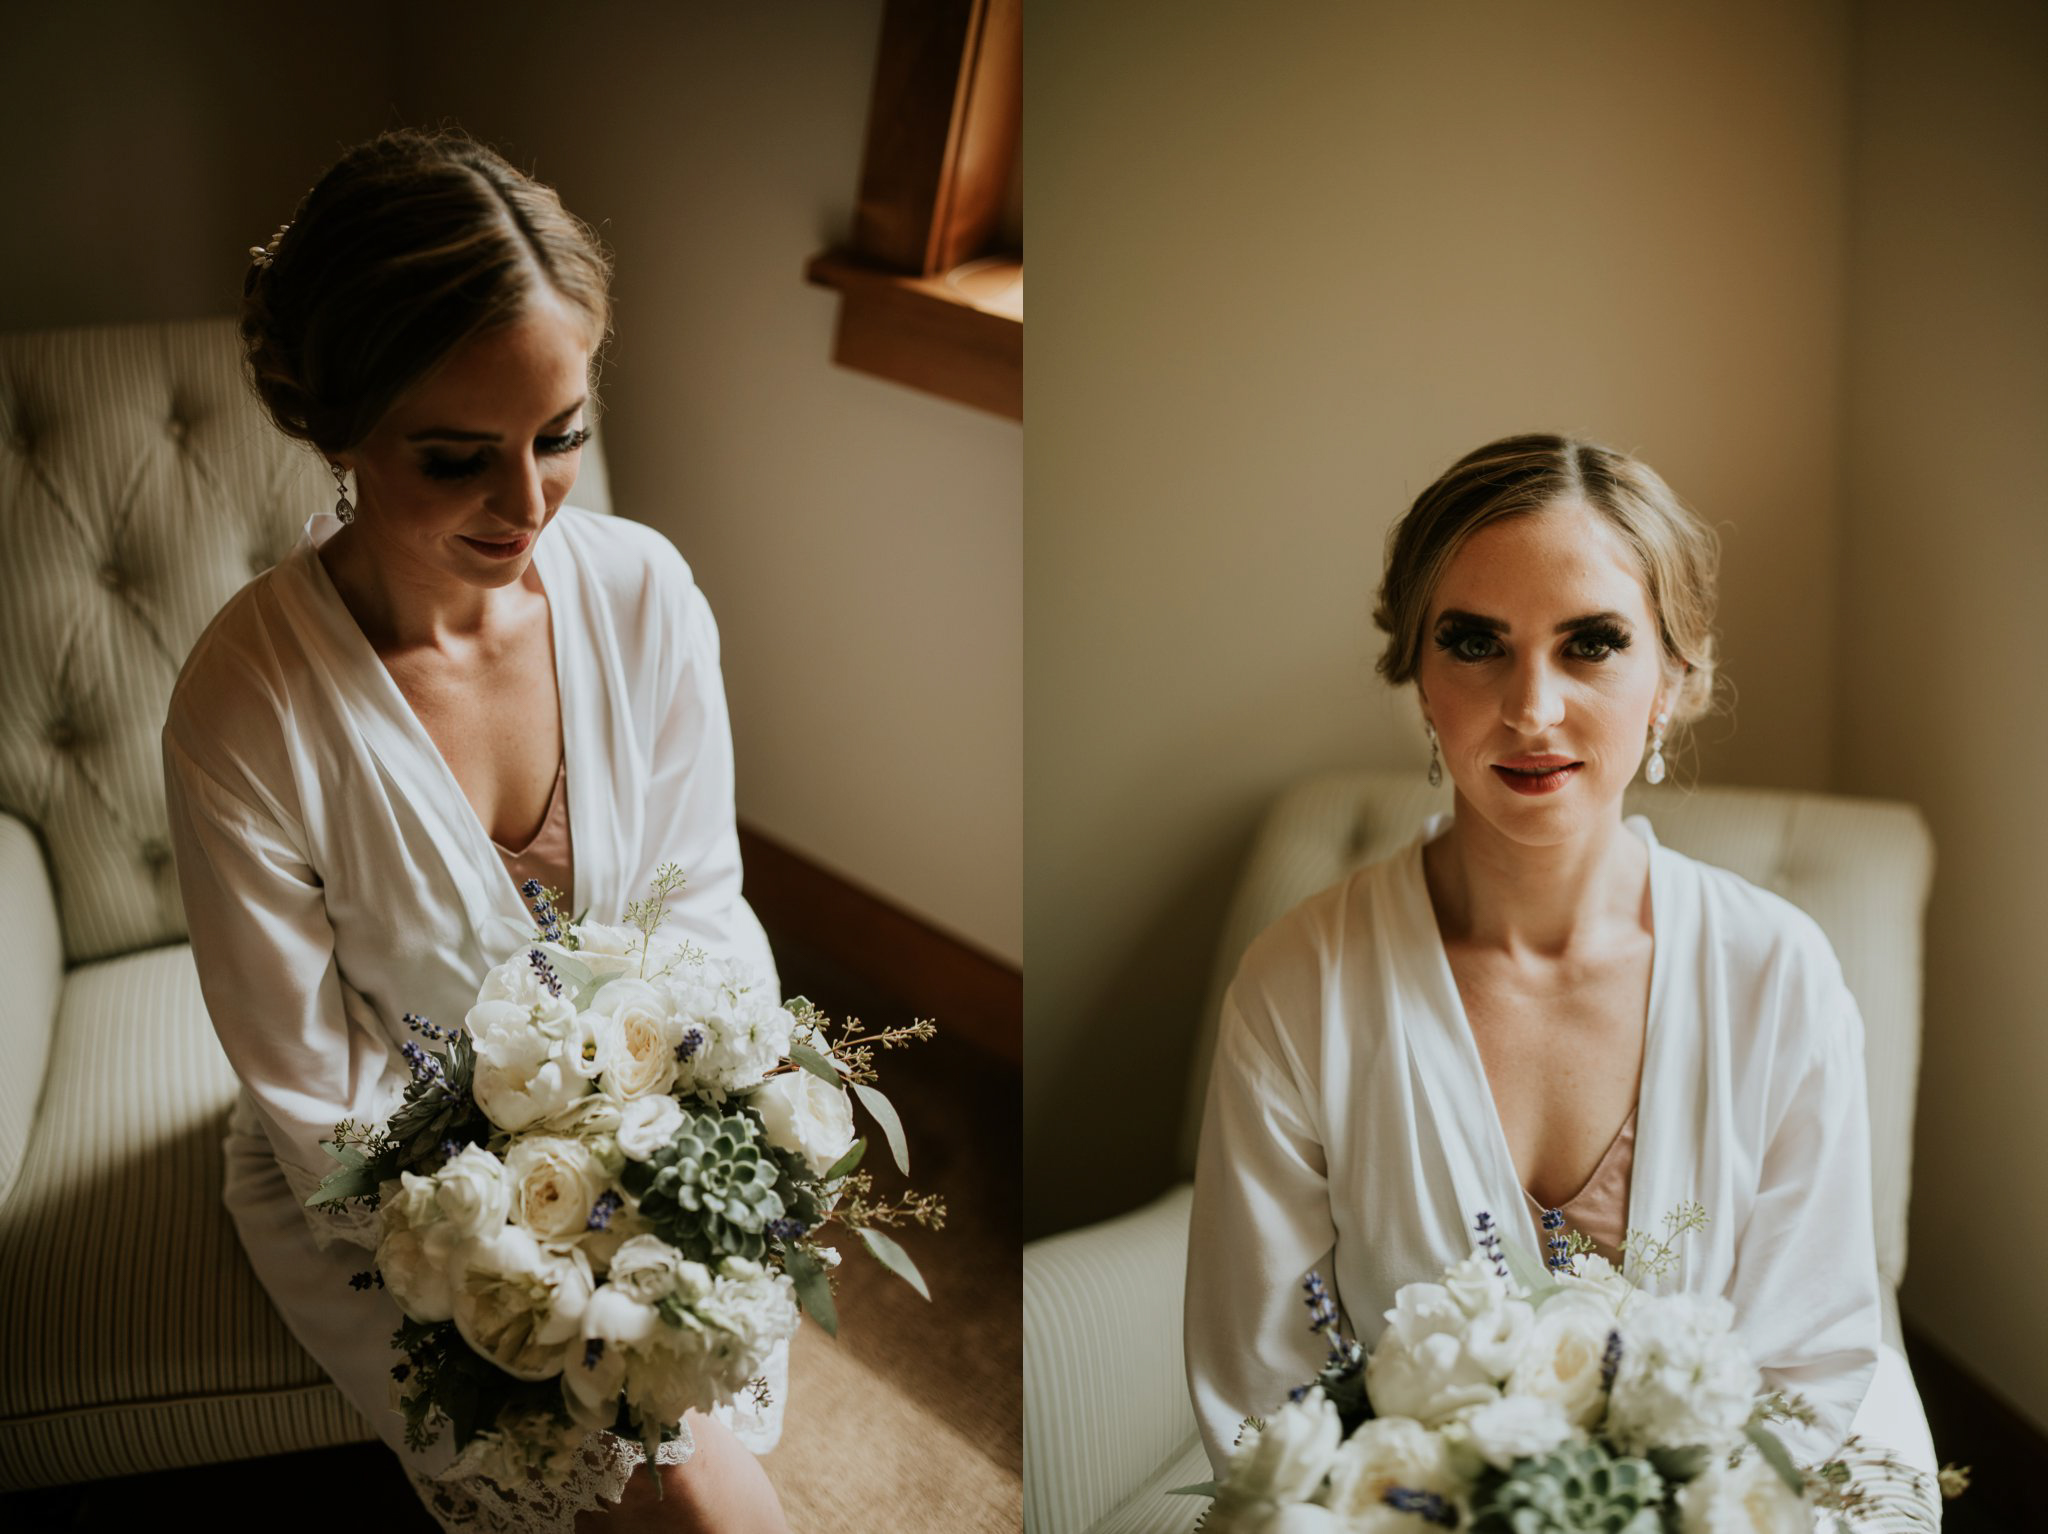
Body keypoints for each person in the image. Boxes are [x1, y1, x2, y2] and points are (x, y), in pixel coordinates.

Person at [161, 129, 792, 1532]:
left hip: (650, 1137)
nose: (527, 505)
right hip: (393, 1205)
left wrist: (676, 1174)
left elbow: (703, 910)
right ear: (340, 428)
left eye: (559, 435)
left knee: (695, 1465)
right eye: (457, 458)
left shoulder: (645, 595)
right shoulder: (244, 705)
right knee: (655, 1486)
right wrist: (530, 1258)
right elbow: (316, 1089)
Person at [1183, 434, 1941, 1521]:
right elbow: (1266, 1400)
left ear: (1672, 678)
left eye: (1591, 643)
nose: (1531, 708)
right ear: (1417, 677)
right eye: (1473, 643)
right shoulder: (1298, 985)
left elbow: (1808, 1370)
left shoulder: (1778, 976)